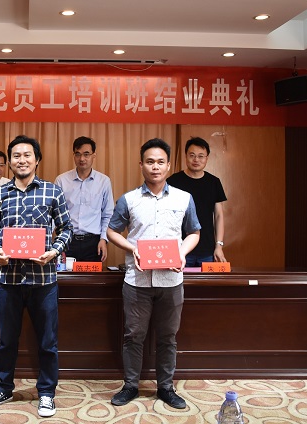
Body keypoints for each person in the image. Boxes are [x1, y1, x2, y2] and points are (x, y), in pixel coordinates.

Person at [0, 135, 72, 418]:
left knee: (47, 342)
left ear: (37, 159)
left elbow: (67, 229)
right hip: (7, 280)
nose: (22, 160)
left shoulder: (52, 191)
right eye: (16, 156)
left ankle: (46, 393)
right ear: (10, 162)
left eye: (27, 155)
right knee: (6, 340)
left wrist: (53, 251)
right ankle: (4, 387)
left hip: (43, 279)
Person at [106, 138, 200, 410]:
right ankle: (130, 385)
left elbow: (194, 232)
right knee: (133, 335)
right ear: (141, 165)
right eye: (150, 162)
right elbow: (112, 231)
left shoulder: (184, 198)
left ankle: (166, 388)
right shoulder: (129, 199)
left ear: (168, 166)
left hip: (171, 280)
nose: (155, 167)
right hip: (137, 280)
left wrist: (182, 252)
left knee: (167, 337)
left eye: (160, 162)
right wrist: (132, 247)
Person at [167, 137, 227, 266]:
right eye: (192, 155)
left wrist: (219, 246)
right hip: (180, 248)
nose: (196, 160)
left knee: (207, 280)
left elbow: (218, 216)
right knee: (180, 279)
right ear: (186, 156)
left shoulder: (214, 182)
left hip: (207, 249)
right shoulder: (173, 182)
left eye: (201, 156)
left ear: (207, 158)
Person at [54, 136, 114, 262]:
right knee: (65, 275)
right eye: (78, 154)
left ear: (94, 155)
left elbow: (107, 214)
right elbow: (55, 214)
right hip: (67, 240)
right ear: (73, 155)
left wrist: (103, 239)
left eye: (86, 154)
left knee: (92, 275)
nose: (82, 159)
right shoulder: (61, 180)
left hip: (94, 242)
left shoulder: (104, 181)